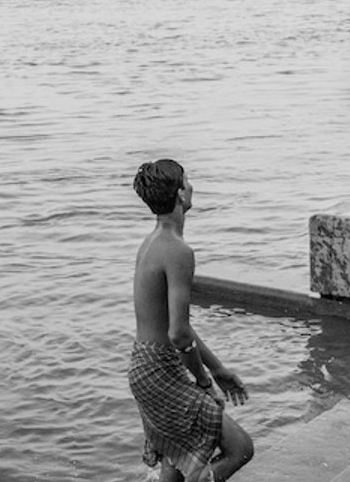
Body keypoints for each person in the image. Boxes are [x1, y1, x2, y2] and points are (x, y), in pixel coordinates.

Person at [129, 159, 253, 481]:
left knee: (176, 459)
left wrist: (218, 368)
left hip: (144, 366)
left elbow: (177, 326)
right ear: (181, 194)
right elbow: (179, 335)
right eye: (188, 180)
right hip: (160, 369)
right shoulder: (178, 250)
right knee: (239, 448)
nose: (192, 185)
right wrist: (203, 383)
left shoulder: (152, 242)